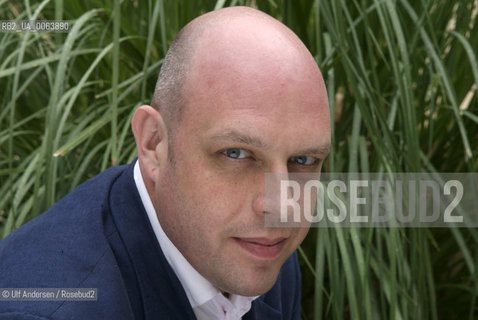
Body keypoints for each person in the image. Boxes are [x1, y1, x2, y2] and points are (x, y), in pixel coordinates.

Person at [0, 6, 330, 320]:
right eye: (236, 154)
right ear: (153, 143)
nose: (282, 206)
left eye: (302, 160)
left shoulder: (258, 245)